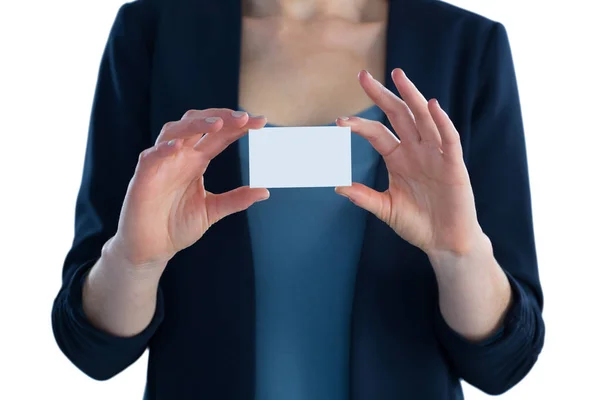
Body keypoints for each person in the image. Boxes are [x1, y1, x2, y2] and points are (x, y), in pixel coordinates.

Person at [51, 0, 545, 399]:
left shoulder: (467, 46)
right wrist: (135, 261)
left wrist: (458, 253)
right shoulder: (152, 33)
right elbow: (93, 350)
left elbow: (504, 363)